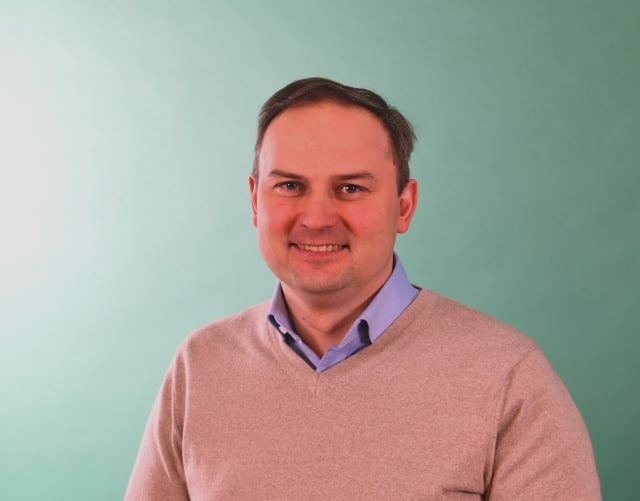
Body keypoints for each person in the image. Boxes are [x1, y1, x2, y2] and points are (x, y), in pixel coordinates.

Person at [125, 77, 601, 500]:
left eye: (350, 188)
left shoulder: (508, 377)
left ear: (404, 206)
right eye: (289, 186)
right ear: (254, 200)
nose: (316, 218)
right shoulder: (201, 365)